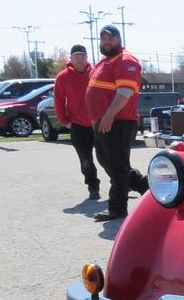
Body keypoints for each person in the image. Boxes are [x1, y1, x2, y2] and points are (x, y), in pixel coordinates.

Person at [85, 25, 148, 222]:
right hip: (103, 121)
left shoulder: (126, 61)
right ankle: (145, 186)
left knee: (117, 166)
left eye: (110, 38)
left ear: (119, 39)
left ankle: (117, 209)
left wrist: (110, 114)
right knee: (108, 162)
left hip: (118, 121)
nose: (107, 42)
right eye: (103, 39)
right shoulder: (103, 62)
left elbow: (125, 92)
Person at [53, 44, 100, 200]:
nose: (80, 60)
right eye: (76, 57)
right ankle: (93, 186)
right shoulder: (63, 77)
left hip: (98, 123)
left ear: (87, 58)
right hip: (78, 125)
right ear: (71, 59)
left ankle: (122, 184)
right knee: (86, 161)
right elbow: (59, 101)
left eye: (82, 56)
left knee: (109, 158)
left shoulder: (96, 73)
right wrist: (65, 121)